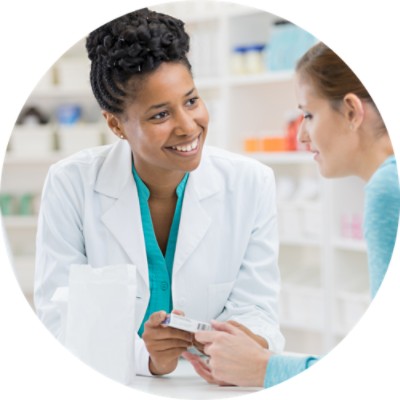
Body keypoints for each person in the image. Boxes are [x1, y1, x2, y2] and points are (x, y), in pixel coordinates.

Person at [33, 8, 284, 378]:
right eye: (160, 115)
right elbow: (58, 317)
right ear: (116, 124)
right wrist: (148, 359)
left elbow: (259, 309)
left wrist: (236, 344)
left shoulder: (250, 183)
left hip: (209, 384)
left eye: (192, 101)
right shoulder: (72, 184)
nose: (188, 127)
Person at [183, 41, 400, 387]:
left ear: (352, 111)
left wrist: (263, 368)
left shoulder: (388, 188)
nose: (300, 135)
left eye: (309, 115)